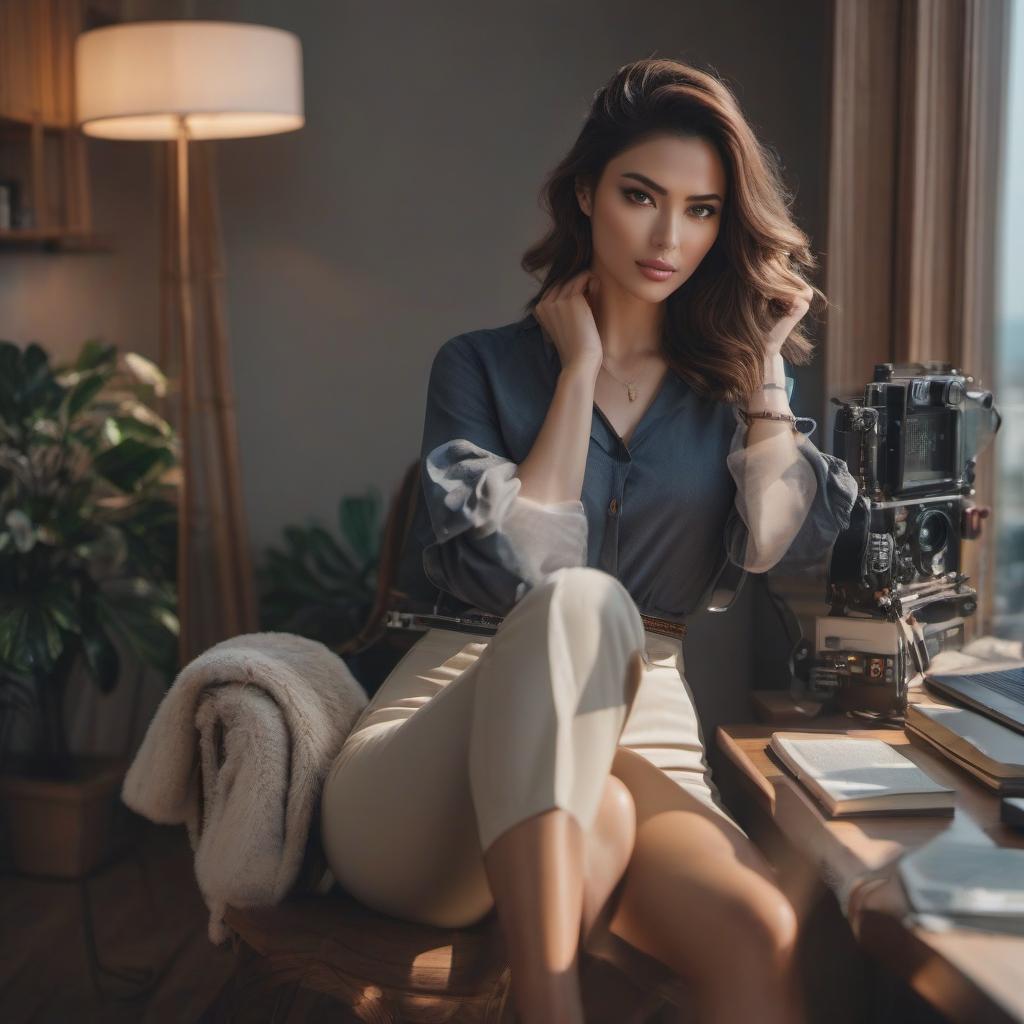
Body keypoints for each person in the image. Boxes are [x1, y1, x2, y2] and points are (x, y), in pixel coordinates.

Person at [320, 56, 858, 1024]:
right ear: (584, 194)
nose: (667, 234)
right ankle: (547, 1001)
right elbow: (529, 568)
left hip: (645, 725)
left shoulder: (730, 393)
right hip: (444, 733)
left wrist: (769, 373)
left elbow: (778, 547)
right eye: (640, 196)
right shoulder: (480, 364)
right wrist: (576, 371)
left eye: (699, 209)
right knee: (579, 595)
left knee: (755, 931)